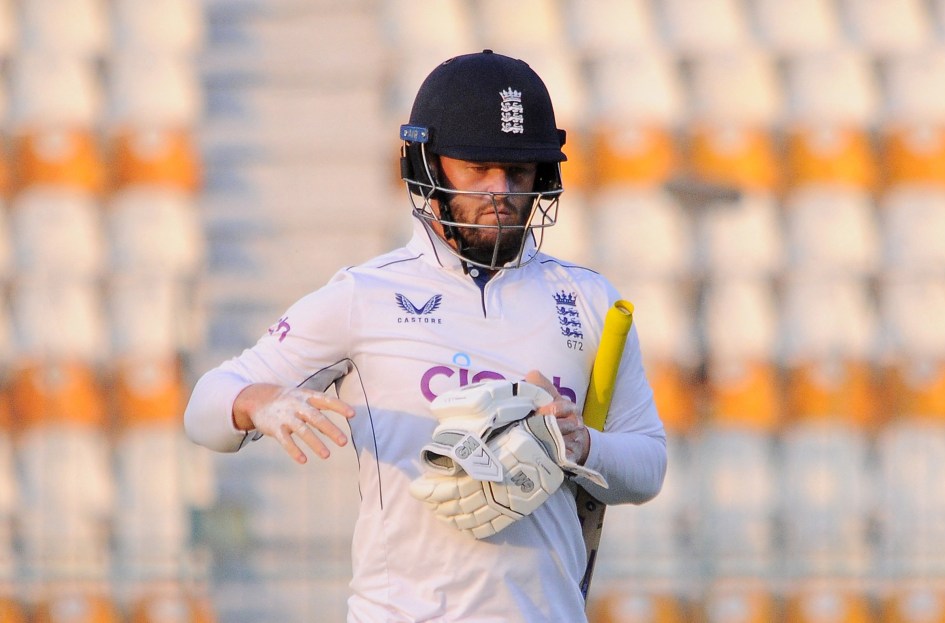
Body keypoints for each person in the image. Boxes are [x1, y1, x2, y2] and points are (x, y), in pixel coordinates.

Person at [184, 49, 667, 622]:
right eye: (477, 168)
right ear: (429, 167)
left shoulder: (589, 300)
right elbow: (203, 410)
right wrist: (257, 402)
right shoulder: (364, 296)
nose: (501, 193)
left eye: (518, 172)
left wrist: (580, 444)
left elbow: (648, 465)